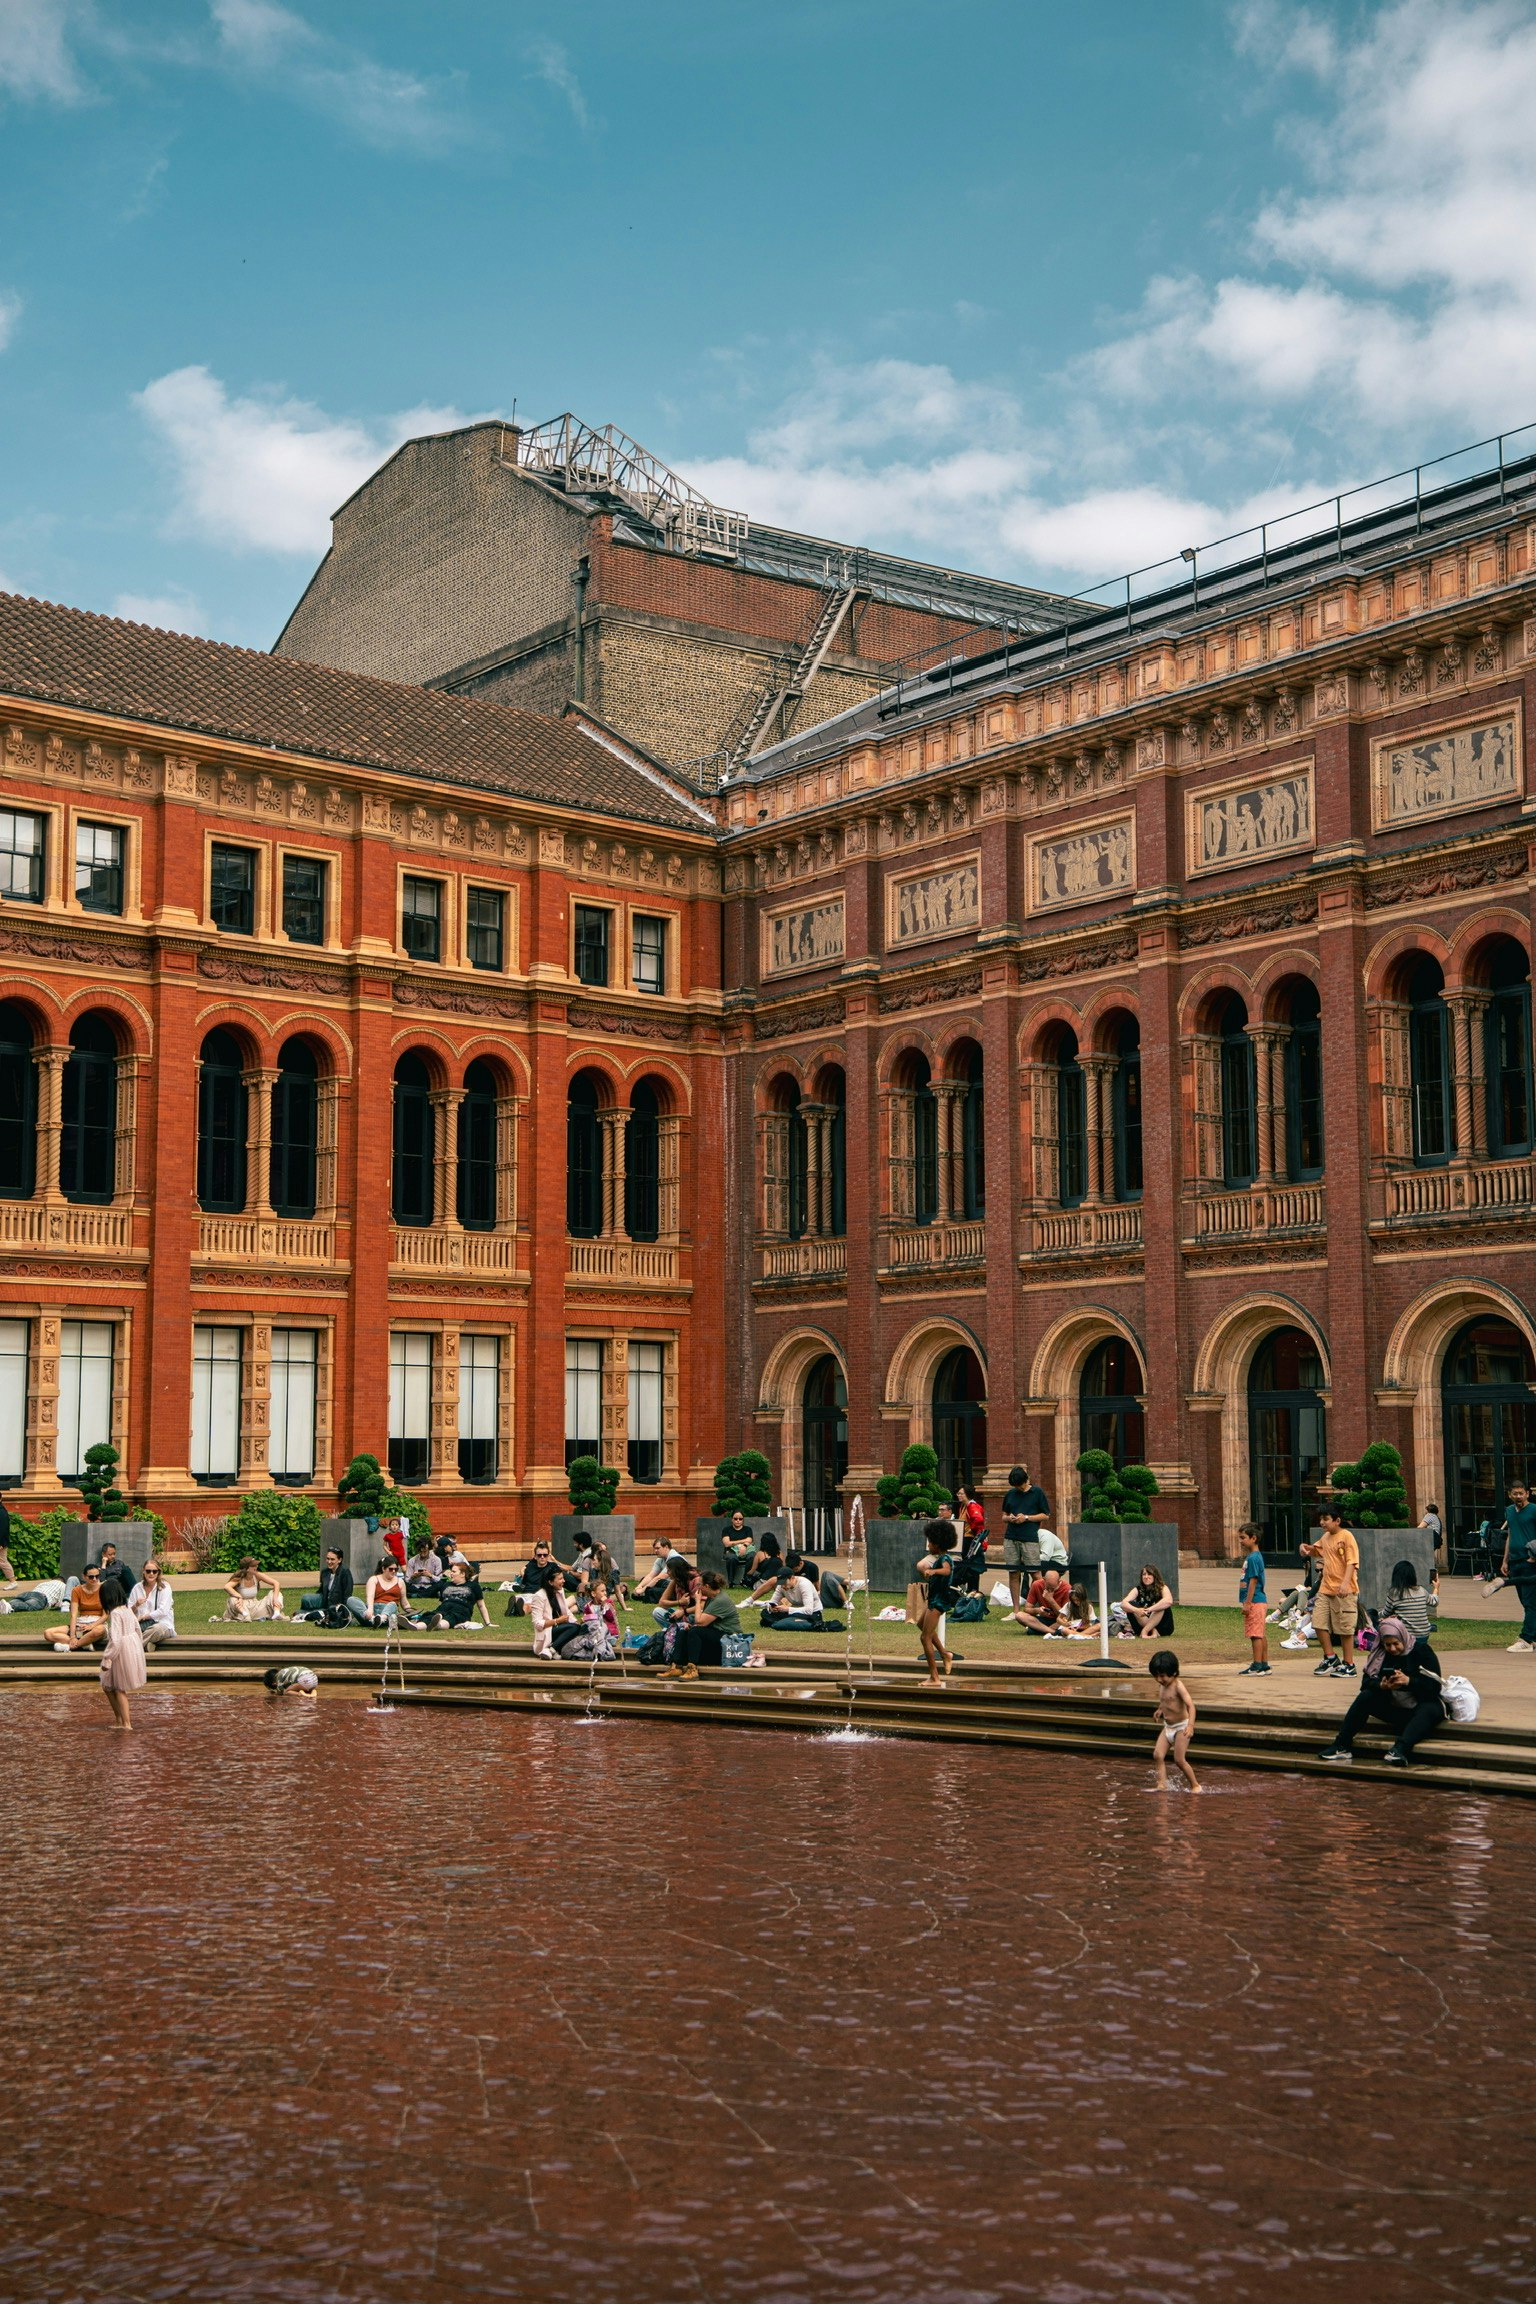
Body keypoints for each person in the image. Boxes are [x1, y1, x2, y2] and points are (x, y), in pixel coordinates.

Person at [1319, 1617, 1447, 1767]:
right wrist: (1381, 1685)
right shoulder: (1380, 1655)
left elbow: (1434, 1686)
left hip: (1419, 1708)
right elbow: (1365, 1683)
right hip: (1395, 1708)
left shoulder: (1421, 1651)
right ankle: (1342, 1745)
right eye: (1388, 1645)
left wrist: (1409, 1681)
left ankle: (1400, 1749)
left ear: (1403, 1638)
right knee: (1366, 1696)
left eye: (1396, 1644)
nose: (1392, 1649)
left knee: (1431, 1708)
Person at [1301, 1509, 1360, 1678]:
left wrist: (1345, 1583)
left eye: (1326, 1519)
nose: (1322, 1522)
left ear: (1337, 1520)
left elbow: (1352, 1562)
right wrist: (1306, 1549)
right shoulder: (1326, 1538)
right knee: (1317, 1623)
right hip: (1326, 1589)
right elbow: (1316, 1551)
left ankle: (1349, 1665)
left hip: (1345, 1591)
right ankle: (1331, 1658)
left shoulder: (1347, 1536)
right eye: (1321, 1519)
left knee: (1344, 1629)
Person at [664, 1569, 741, 1679]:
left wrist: (697, 1600)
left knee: (695, 1631)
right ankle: (676, 1666)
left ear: (707, 1586)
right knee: (683, 1631)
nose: (697, 1587)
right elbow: (702, 1622)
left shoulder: (720, 1600)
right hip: (717, 1633)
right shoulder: (712, 1598)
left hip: (728, 1638)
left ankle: (692, 1669)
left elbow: (700, 1621)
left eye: (700, 1584)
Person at [99, 1577, 147, 1730]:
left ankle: (126, 1723)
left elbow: (116, 1639)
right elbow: (138, 1630)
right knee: (108, 1686)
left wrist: (108, 1658)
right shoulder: (127, 1610)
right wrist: (136, 1649)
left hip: (120, 1651)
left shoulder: (115, 1613)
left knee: (118, 1688)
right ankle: (119, 1720)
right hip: (131, 1648)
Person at [1149, 1649, 1200, 1792]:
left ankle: (1195, 1785)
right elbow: (1165, 1700)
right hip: (1168, 1727)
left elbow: (1191, 1706)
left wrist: (1190, 1726)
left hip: (1181, 1727)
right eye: (1156, 1676)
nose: (1159, 1679)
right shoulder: (1162, 1685)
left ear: (1174, 1673)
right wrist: (1160, 1710)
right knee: (1158, 1755)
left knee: (1179, 1760)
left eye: (1163, 1676)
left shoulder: (1178, 1686)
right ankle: (1162, 1784)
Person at [1000, 1466, 1050, 1613]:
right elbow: (1003, 1516)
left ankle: (1042, 1606)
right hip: (1011, 1537)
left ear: (1026, 1480)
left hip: (1029, 1538)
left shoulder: (1037, 1493)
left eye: (1019, 1485)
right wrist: (1010, 1518)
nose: (1018, 1488)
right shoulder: (1010, 1494)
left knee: (1035, 1573)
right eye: (1015, 1486)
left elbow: (1046, 1515)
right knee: (1013, 1573)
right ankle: (1016, 1610)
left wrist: (1027, 1518)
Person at [914, 1520, 956, 1689]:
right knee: (921, 1625)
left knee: (925, 1637)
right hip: (934, 1600)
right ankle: (945, 1654)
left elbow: (946, 1571)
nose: (928, 1545)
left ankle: (934, 1677)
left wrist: (933, 1571)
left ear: (937, 1544)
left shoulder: (945, 1559)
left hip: (938, 1601)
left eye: (930, 1542)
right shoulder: (941, 1557)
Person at [1497, 1480, 1536, 1654]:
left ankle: (1526, 1639)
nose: (1518, 1496)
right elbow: (1511, 1535)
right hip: (1515, 1562)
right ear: (1510, 1495)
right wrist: (1505, 1560)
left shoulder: (1534, 1510)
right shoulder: (1510, 1511)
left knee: (1530, 1601)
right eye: (1515, 1493)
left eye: (1521, 1493)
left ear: (1527, 1493)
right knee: (1525, 1601)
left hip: (1530, 1562)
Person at [43, 1562, 110, 1648]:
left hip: (97, 1623)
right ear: (84, 1576)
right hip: (80, 1623)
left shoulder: (104, 1589)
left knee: (99, 1631)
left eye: (97, 1576)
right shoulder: (76, 1590)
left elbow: (105, 1615)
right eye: (91, 1577)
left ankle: (71, 1646)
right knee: (48, 1633)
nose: (94, 1579)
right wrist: (72, 1636)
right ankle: (84, 1644)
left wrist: (91, 1626)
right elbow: (74, 1615)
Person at [1237, 1523, 1270, 1675]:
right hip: (1258, 1600)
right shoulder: (1253, 1556)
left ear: (1253, 1538)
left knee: (1255, 1634)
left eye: (1243, 1538)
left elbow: (1253, 1580)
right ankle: (1264, 1664)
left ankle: (1257, 1666)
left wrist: (1248, 1602)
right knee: (1260, 1633)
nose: (1241, 1541)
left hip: (1255, 1600)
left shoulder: (1254, 1557)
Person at [214, 1556, 286, 1624]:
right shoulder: (240, 1578)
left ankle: (277, 1613)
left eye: (256, 1565)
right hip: (241, 1607)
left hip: (256, 1606)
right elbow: (227, 1587)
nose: (256, 1567)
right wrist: (239, 1596)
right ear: (247, 1568)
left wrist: (275, 1599)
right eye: (253, 1566)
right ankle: (246, 1615)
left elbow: (276, 1583)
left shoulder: (257, 1575)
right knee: (232, 1599)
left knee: (275, 1593)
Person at [294, 1550, 357, 1626]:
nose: (329, 1561)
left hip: (335, 1604)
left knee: (305, 1613)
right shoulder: (325, 1572)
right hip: (324, 1599)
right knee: (306, 1598)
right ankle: (309, 1612)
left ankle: (309, 1613)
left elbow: (347, 1594)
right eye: (328, 1559)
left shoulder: (345, 1572)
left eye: (332, 1559)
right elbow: (321, 1590)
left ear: (339, 1560)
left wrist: (343, 1610)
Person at [1112, 1564, 1175, 1640]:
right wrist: (1136, 1610)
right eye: (1144, 1574)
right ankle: (1153, 1631)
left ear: (1155, 1576)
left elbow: (1168, 1601)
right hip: (1141, 1625)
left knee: (1161, 1605)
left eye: (1149, 1574)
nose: (1146, 1577)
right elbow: (1123, 1604)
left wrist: (1149, 1610)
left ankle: (1145, 1631)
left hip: (1163, 1627)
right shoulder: (1137, 1589)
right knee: (1131, 1604)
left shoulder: (1162, 1587)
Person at [1385, 1558, 1438, 1643]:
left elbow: (1385, 1613)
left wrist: (1374, 1615)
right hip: (1424, 1635)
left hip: (1406, 1636)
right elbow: (1434, 1602)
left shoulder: (1394, 1593)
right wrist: (1436, 1588)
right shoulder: (1421, 1590)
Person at [363, 1557, 423, 1631]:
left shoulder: (400, 1582)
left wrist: (413, 1613)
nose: (394, 1571)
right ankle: (373, 1620)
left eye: (396, 1569)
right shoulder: (374, 1579)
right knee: (351, 1600)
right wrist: (370, 1611)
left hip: (390, 1611)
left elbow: (405, 1603)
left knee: (393, 1604)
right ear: (383, 1569)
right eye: (391, 1569)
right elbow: (370, 1597)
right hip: (372, 1610)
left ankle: (381, 1619)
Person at [1012, 1564, 1074, 1635]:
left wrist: (1051, 1600)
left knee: (1067, 1622)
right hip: (1042, 1619)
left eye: (1053, 1588)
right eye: (1048, 1587)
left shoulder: (1067, 1588)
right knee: (1019, 1615)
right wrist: (1037, 1610)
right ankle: (1052, 1632)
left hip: (1058, 1621)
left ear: (1059, 1581)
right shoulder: (1037, 1585)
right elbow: (1027, 1609)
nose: (1050, 1590)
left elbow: (1065, 1616)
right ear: (1044, 1580)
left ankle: (1038, 1630)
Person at [128, 1559, 176, 1649]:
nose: (151, 1574)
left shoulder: (164, 1587)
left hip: (162, 1624)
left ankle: (132, 1649)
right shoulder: (137, 1588)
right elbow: (128, 1612)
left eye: (154, 1571)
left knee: (156, 1630)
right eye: (148, 1571)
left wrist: (144, 1617)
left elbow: (163, 1611)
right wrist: (136, 1605)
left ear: (158, 1573)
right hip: (141, 1625)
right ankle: (147, 1645)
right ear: (143, 1572)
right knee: (120, 1629)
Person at [759, 1563, 823, 1631]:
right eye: (781, 1583)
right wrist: (772, 1608)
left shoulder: (804, 1584)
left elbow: (808, 1610)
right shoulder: (781, 1586)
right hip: (793, 1612)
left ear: (792, 1578)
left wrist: (788, 1609)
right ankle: (783, 1623)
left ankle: (780, 1623)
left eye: (784, 1583)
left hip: (812, 1613)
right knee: (765, 1612)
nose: (783, 1586)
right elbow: (773, 1601)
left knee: (766, 1621)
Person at [530, 1565, 574, 1659]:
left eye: (563, 1578)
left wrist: (577, 1621)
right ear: (550, 1582)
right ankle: (551, 1649)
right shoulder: (539, 1596)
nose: (564, 1581)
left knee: (581, 1627)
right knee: (573, 1628)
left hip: (560, 1627)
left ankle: (554, 1649)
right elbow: (537, 1623)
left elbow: (566, 1611)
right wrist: (557, 1621)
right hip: (548, 1631)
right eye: (560, 1579)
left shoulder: (559, 1591)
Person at [434, 1559, 492, 1631]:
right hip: (444, 1609)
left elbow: (481, 1605)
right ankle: (418, 1626)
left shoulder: (474, 1586)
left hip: (460, 1611)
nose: (451, 1573)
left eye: (454, 1571)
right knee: (429, 1616)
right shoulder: (446, 1585)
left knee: (451, 1618)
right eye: (451, 1571)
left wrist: (488, 1623)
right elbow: (441, 1602)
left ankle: (438, 1625)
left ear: (462, 1574)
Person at [954, 1484, 989, 1592]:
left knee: (972, 1566)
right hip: (967, 1539)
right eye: (958, 1493)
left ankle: (973, 1590)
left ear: (967, 1494)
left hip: (970, 1540)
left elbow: (978, 1520)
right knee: (968, 1565)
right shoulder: (963, 1506)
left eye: (961, 1493)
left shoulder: (972, 1506)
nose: (958, 1495)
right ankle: (971, 1589)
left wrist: (972, 1530)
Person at [633, 1538, 675, 1602]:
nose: (655, 1551)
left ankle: (647, 1594)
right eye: (655, 1548)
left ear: (666, 1547)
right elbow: (651, 1575)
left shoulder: (674, 1558)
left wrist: (642, 1590)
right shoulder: (660, 1558)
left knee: (656, 1584)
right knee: (644, 1580)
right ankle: (647, 1594)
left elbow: (659, 1578)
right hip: (665, 1584)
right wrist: (639, 1587)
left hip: (676, 1587)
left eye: (658, 1548)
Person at [720, 1510, 755, 1584]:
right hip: (730, 1551)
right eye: (735, 1519)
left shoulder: (747, 1529)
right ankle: (731, 1581)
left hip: (746, 1550)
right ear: (732, 1519)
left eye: (740, 1519)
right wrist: (743, 1541)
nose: (738, 1521)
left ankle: (745, 1579)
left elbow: (750, 1540)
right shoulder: (726, 1530)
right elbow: (727, 1544)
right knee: (732, 1558)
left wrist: (744, 1546)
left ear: (743, 1520)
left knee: (752, 1556)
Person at [1418, 1498, 1444, 1567]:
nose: (1425, 1512)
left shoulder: (1429, 1515)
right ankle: (1432, 1572)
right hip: (1435, 1539)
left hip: (1431, 1538)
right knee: (1429, 1556)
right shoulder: (1436, 1517)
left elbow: (1420, 1528)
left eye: (1426, 1510)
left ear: (1428, 1511)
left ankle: (1429, 1571)